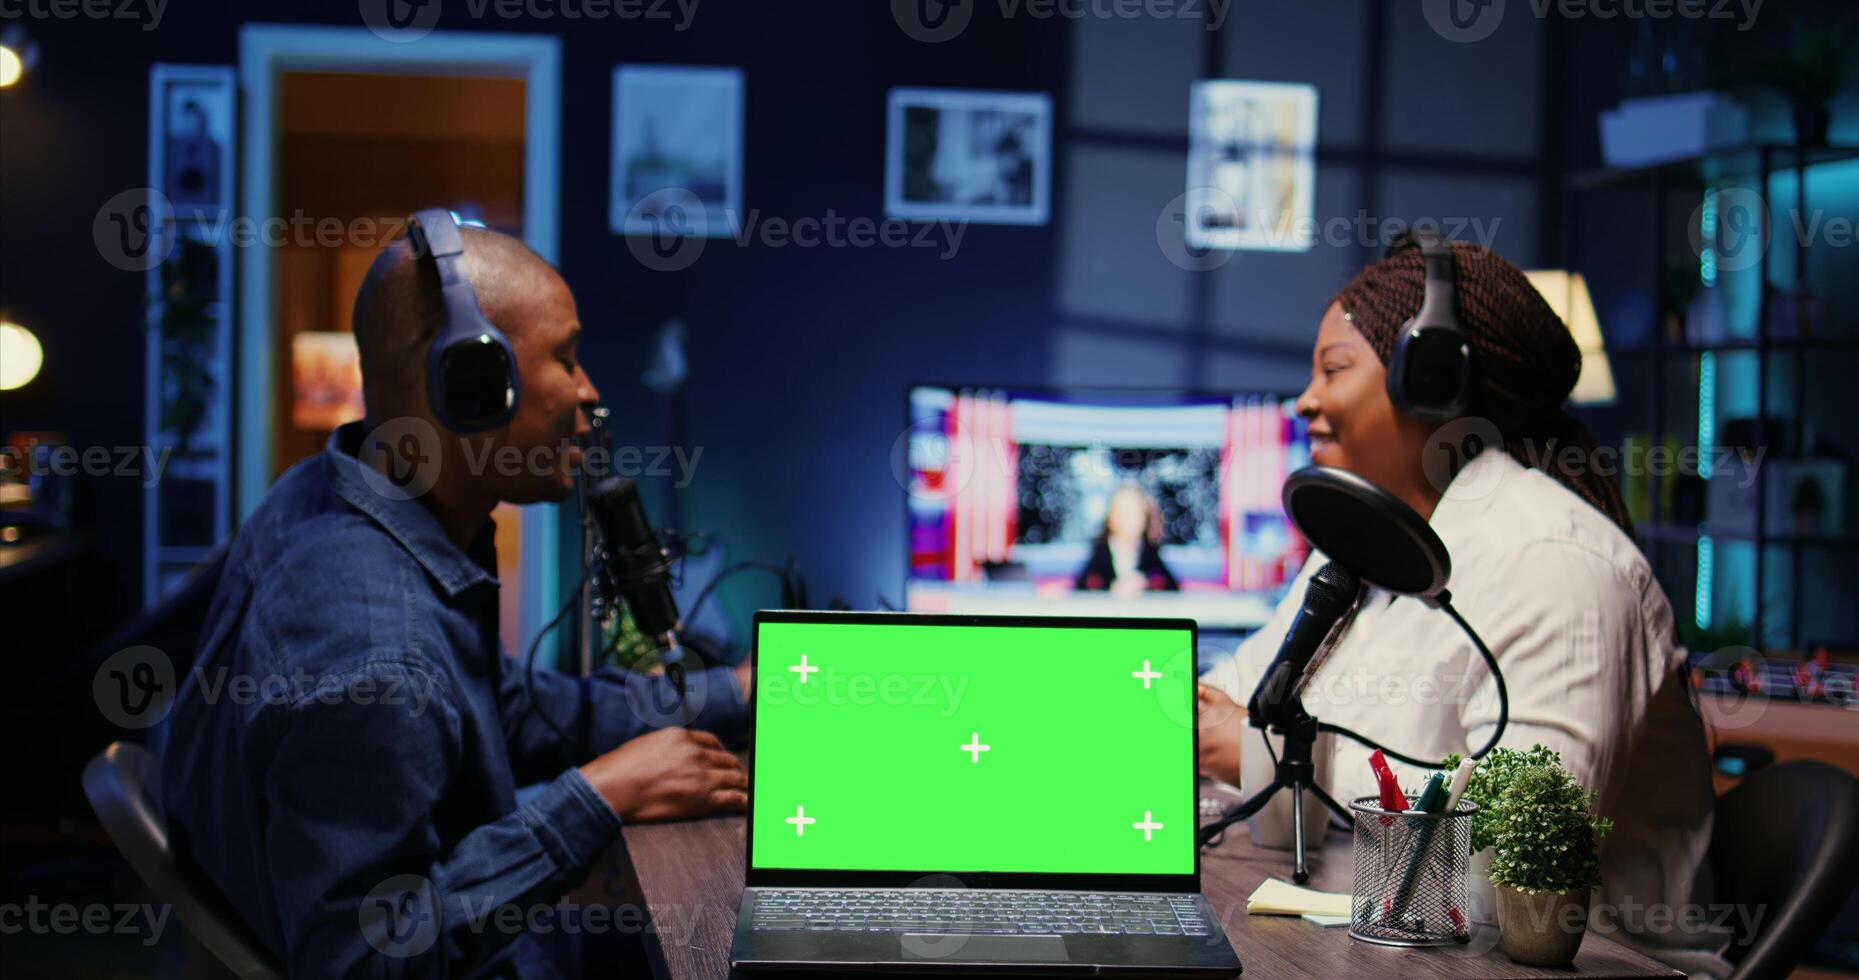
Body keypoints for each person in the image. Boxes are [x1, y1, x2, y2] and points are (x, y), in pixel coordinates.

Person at [162, 221, 752, 976]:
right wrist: (595, 799)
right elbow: (363, 962)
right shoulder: (373, 653)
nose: (589, 392)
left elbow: (500, 709)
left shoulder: (341, 492)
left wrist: (729, 694)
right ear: (473, 391)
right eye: (565, 360)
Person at [1197, 234, 1727, 977]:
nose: (1304, 399)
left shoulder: (1556, 566)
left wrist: (1271, 759)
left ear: (1432, 379)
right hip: (1375, 948)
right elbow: (1223, 699)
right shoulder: (1357, 551)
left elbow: (1508, 869)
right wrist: (1241, 735)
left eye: (1332, 370)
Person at [1074, 484, 1180, 596]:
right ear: (1110, 518)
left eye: (1134, 512)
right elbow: (1081, 592)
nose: (1128, 519)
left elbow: (1172, 591)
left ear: (1145, 517)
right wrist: (1111, 589)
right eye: (1122, 511)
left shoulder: (1151, 553)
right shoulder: (1100, 553)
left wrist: (1145, 584)